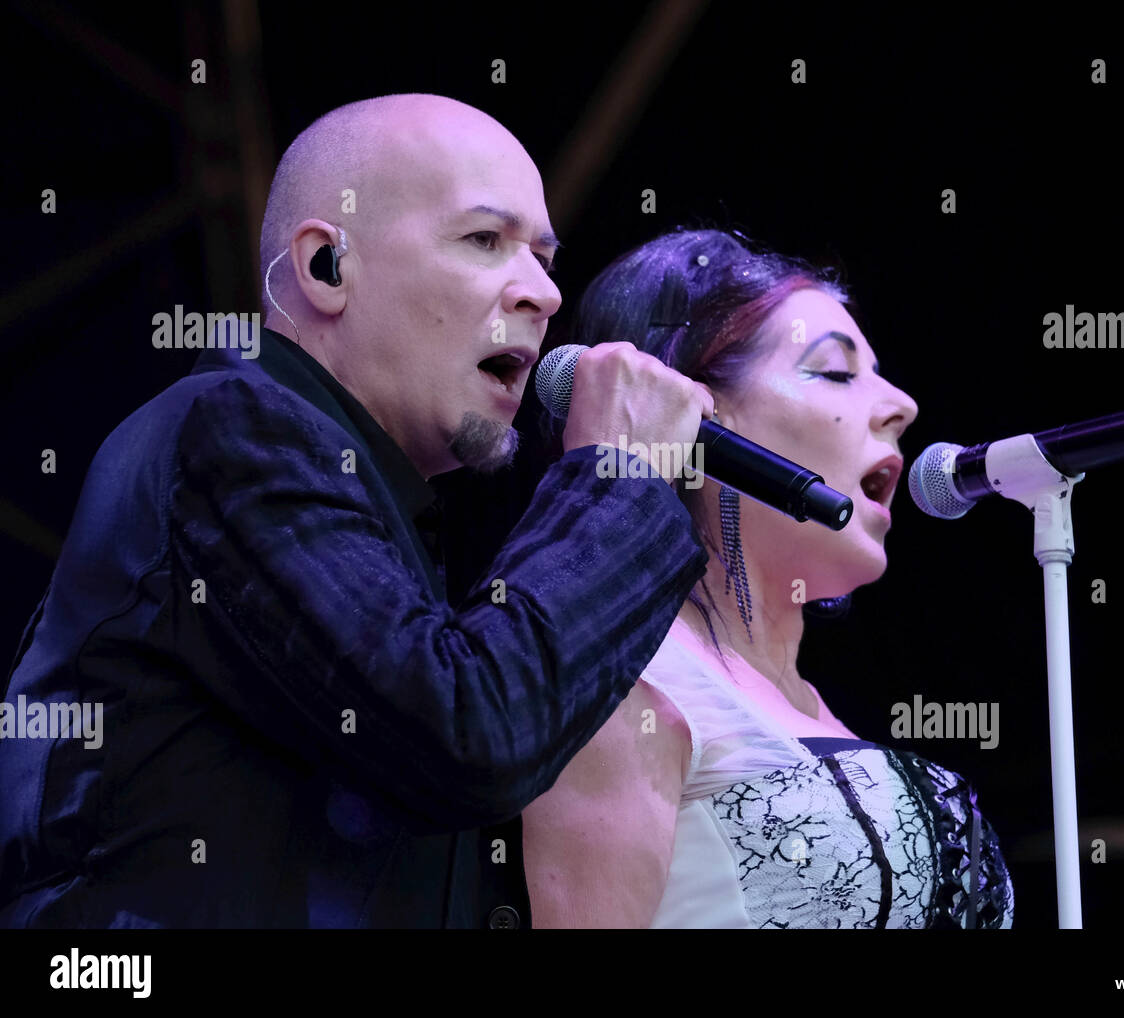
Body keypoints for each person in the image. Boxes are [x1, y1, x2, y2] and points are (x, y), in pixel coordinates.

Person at [0, 95, 715, 928]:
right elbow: (464, 732)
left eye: (547, 258)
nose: (544, 294)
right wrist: (619, 477)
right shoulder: (235, 429)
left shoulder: (380, 510)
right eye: (485, 240)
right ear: (326, 267)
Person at [521, 228, 1015, 928]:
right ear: (693, 414)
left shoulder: (812, 706)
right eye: (836, 373)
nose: (901, 405)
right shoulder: (627, 689)